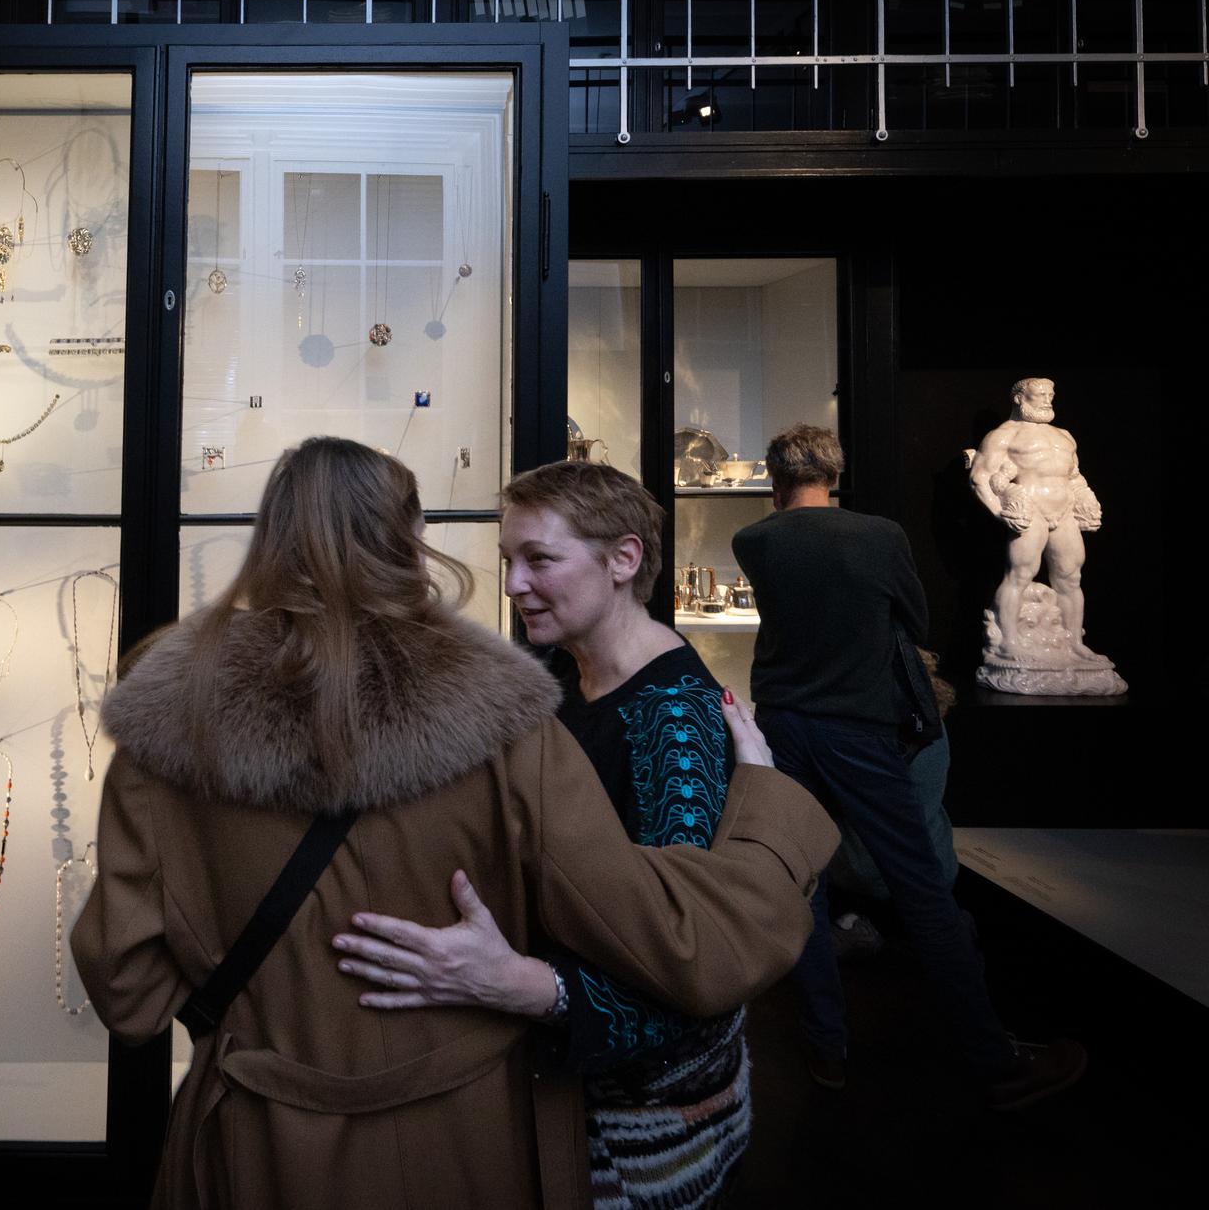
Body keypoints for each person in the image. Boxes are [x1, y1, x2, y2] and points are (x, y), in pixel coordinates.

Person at [72, 437, 839, 1210]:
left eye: (538, 559)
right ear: (410, 542)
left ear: (269, 540)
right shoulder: (506, 726)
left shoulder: (164, 737)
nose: (516, 583)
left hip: (255, 1144)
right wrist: (766, 806)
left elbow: (129, 991)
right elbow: (681, 943)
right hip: (463, 1138)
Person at [334, 460, 761, 1210]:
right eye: (509, 560)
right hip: (578, 1102)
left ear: (622, 560)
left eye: (539, 559)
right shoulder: (564, 675)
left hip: (647, 1137)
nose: (513, 584)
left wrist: (519, 983)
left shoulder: (675, 722)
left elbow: (693, 971)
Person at [732, 423, 1084, 1108]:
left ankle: (826, 1046)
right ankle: (993, 1059)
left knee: (804, 883)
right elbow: (914, 620)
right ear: (835, 474)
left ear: (775, 480)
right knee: (920, 886)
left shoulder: (755, 541)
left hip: (783, 724)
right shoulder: (880, 536)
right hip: (860, 727)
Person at [968, 377, 1106, 663]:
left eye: (1050, 395)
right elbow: (979, 478)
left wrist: (1087, 498)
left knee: (1070, 577)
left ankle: (1075, 642)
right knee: (1019, 575)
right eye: (1040, 394)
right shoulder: (1003, 435)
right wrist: (1000, 513)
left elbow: (1073, 476)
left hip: (1064, 510)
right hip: (1031, 511)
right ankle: (1009, 642)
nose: (1047, 400)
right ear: (1019, 398)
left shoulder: (1064, 436)